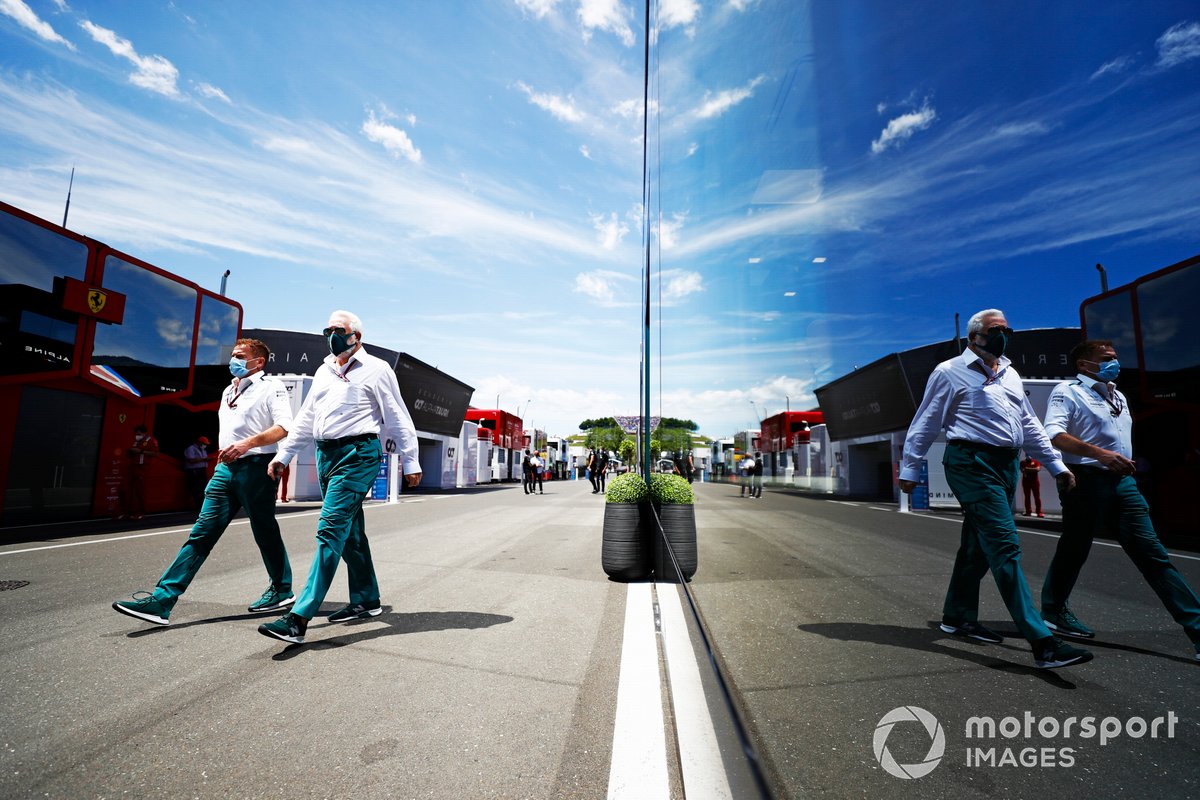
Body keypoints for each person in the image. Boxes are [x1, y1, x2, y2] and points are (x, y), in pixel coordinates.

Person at [899, 308, 1091, 670]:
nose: (1004, 335)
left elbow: (1029, 424)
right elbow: (925, 422)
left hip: (1006, 465)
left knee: (977, 548)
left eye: (1007, 329)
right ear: (975, 337)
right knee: (1004, 545)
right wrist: (911, 466)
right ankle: (1044, 643)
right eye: (995, 330)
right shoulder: (949, 371)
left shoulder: (1010, 373)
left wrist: (1056, 465)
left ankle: (957, 616)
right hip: (971, 463)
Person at [259, 311, 422, 644]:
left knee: (330, 528)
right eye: (327, 330)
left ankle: (298, 618)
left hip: (357, 455)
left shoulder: (377, 369)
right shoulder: (323, 370)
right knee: (351, 534)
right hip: (325, 455)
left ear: (356, 336)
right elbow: (306, 418)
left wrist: (411, 460)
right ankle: (366, 599)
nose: (331, 335)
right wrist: (284, 454)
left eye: (338, 330)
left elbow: (397, 416)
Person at [112, 339, 295, 626]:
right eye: (232, 355)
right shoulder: (228, 390)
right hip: (225, 468)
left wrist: (246, 444)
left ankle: (282, 589)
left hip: (256, 468)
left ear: (258, 362)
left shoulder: (272, 387)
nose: (232, 360)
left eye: (239, 356)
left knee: (264, 530)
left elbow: (283, 428)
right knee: (202, 533)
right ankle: (162, 600)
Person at [1039, 339, 1200, 661]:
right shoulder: (1067, 391)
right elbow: (1054, 434)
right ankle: (1054, 610)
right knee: (1075, 548)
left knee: (1153, 554)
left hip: (1124, 484)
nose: (1115, 362)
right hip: (1085, 482)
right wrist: (1100, 454)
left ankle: (1196, 629)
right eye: (1107, 358)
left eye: (1115, 357)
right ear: (1085, 365)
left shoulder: (1118, 395)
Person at [118, 424, 158, 520]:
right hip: (132, 467)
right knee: (124, 489)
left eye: (139, 434)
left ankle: (140, 512)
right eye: (136, 434)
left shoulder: (151, 441)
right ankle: (125, 512)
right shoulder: (135, 441)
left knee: (139, 491)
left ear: (144, 433)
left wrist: (140, 451)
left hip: (142, 468)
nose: (137, 435)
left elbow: (155, 453)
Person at [183, 435, 210, 508]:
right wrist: (204, 459)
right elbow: (190, 460)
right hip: (194, 470)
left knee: (203, 487)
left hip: (202, 469)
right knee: (196, 488)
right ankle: (197, 505)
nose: (205, 445)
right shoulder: (191, 449)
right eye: (204, 444)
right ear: (199, 442)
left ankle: (202, 504)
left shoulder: (203, 449)